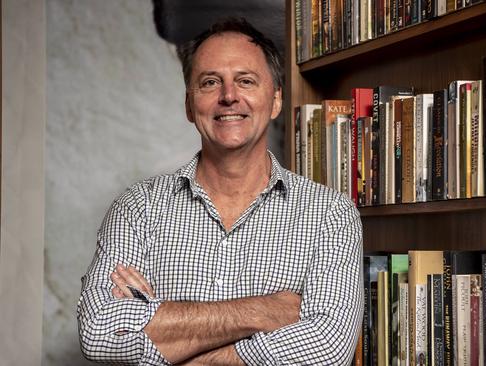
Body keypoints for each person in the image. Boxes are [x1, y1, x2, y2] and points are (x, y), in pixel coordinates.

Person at [77, 18, 363, 365]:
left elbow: (328, 349)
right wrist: (262, 311)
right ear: (188, 105)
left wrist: (175, 337)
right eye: (210, 82)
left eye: (246, 81)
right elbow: (98, 334)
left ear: (275, 101)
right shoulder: (138, 207)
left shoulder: (330, 213)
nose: (229, 96)